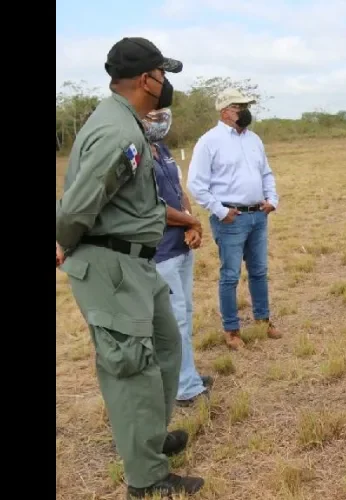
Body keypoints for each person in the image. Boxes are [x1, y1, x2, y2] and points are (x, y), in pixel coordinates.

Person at [55, 37, 204, 498]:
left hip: (137, 262)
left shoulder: (129, 124)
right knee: (132, 368)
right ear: (146, 80)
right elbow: (78, 205)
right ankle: (146, 479)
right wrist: (64, 245)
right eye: (163, 75)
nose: (166, 85)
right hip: (111, 266)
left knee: (165, 345)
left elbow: (132, 202)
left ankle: (151, 440)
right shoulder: (119, 133)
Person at [187, 88, 281, 350]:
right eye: (240, 105)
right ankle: (231, 330)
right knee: (230, 275)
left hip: (257, 215)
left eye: (246, 105)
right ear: (225, 111)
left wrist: (272, 199)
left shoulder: (254, 140)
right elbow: (196, 184)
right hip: (231, 219)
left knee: (259, 271)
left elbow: (266, 173)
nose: (245, 110)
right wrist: (220, 211)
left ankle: (263, 320)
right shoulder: (210, 141)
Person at [142, 107, 214, 407]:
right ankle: (184, 387)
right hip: (161, 251)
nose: (160, 118)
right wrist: (191, 223)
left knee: (184, 316)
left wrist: (191, 220)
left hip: (181, 244)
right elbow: (151, 207)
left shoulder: (160, 148)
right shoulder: (136, 156)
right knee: (174, 322)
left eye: (162, 112)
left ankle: (187, 375)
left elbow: (178, 190)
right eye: (152, 113)